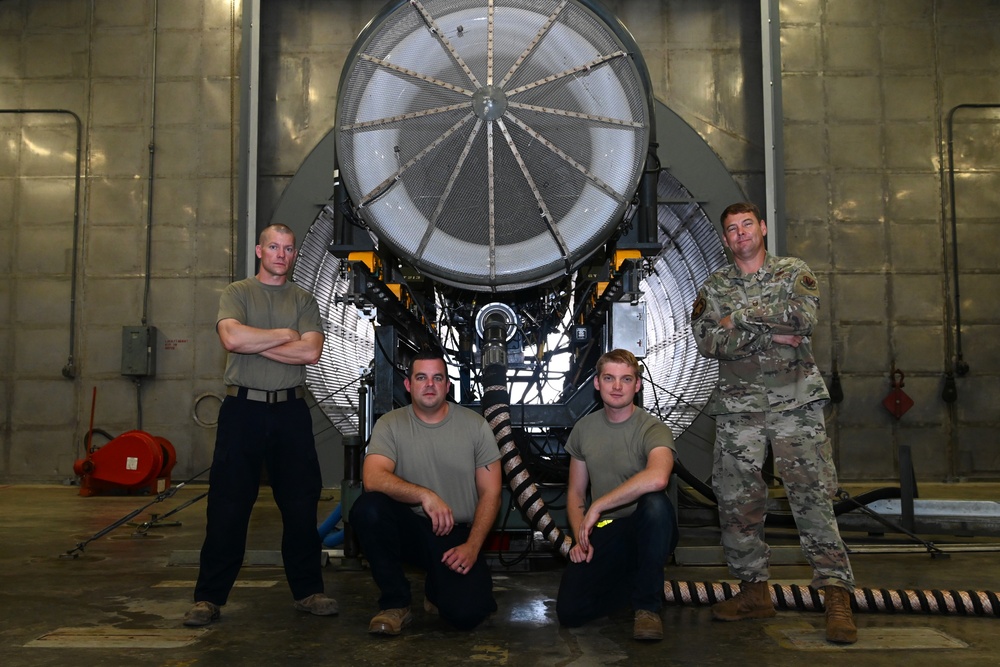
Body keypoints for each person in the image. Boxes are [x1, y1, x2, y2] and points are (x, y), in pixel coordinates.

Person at [690, 202, 857, 644]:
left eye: (747, 225)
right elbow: (708, 339)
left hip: (795, 404)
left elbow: (803, 320)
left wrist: (739, 318)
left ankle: (836, 594)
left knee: (812, 496)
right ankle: (752, 591)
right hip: (739, 409)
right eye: (732, 229)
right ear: (725, 240)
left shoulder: (792, 271)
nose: (741, 233)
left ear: (762, 229)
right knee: (736, 501)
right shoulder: (715, 284)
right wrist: (769, 326)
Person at [183, 223, 338, 626]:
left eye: (288, 248)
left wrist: (262, 342)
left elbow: (311, 352)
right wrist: (284, 336)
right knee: (228, 507)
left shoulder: (304, 298)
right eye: (274, 247)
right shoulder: (237, 293)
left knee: (301, 506)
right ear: (259, 250)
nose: (281, 255)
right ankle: (209, 598)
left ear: (294, 254)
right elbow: (232, 340)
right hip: (242, 412)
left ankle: (308, 591)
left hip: (290, 413)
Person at [348, 351, 501, 635]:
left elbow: (491, 493)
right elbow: (372, 478)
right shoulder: (390, 424)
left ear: (447, 386)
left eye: (437, 378)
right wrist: (424, 495)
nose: (429, 384)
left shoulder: (475, 426)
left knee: (467, 614)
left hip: (457, 535)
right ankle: (395, 603)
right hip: (412, 529)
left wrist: (472, 546)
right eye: (421, 377)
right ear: (408, 385)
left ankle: (436, 589)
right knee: (368, 508)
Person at [555, 348, 679, 641]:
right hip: (609, 531)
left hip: (647, 529)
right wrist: (580, 538)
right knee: (570, 612)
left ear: (637, 385)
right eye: (609, 378)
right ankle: (631, 582)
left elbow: (658, 477)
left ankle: (647, 609)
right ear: (597, 384)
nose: (617, 386)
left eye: (626, 379)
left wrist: (599, 505)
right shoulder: (584, 429)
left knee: (654, 505)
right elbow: (574, 493)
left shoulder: (653, 428)